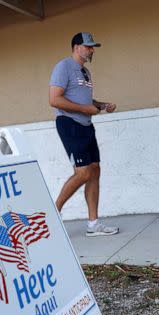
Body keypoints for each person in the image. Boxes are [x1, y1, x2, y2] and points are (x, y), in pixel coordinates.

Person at [49, 32, 119, 237]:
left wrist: (101, 105)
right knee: (83, 173)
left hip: (86, 125)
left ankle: (93, 224)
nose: (92, 50)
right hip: (69, 124)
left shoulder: (85, 72)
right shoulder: (63, 67)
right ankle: (54, 213)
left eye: (93, 47)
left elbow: (84, 100)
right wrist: (84, 109)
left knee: (95, 170)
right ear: (76, 47)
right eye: (88, 46)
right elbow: (54, 100)